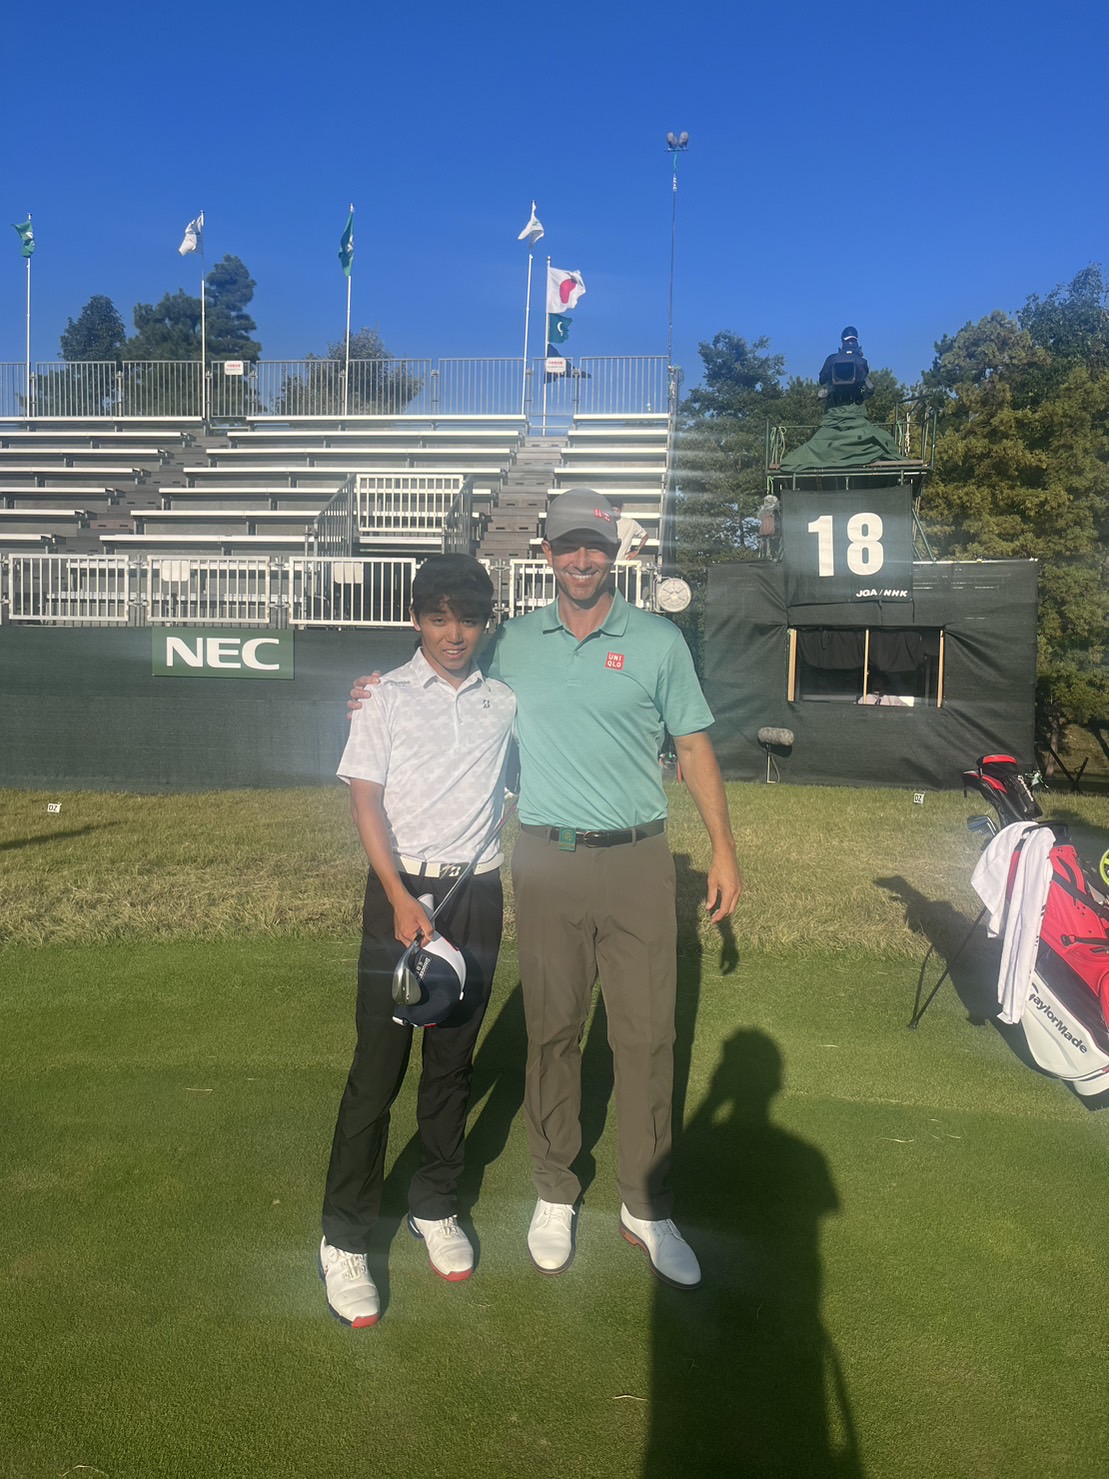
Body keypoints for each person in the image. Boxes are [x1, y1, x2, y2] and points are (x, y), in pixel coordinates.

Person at [351, 491, 742, 1291]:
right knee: (552, 1030)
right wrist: (372, 687)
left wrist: (724, 850)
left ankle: (646, 1203)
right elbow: (441, 665)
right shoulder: (512, 644)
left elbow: (694, 747)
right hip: (545, 857)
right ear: (547, 553)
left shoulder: (659, 641)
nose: (581, 559)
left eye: (593, 545)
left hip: (638, 857)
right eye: (568, 545)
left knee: (646, 1037)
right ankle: (554, 1189)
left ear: (614, 551)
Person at [320, 554, 515, 1328]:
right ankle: (344, 1236)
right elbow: (365, 804)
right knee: (377, 1069)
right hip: (400, 893)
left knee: (452, 1063)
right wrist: (400, 897)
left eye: (467, 619)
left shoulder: (505, 700)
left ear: (486, 623)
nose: (453, 633)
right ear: (415, 620)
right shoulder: (383, 696)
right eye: (438, 618)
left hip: (478, 892)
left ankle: (434, 1203)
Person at [818, 325, 873, 407]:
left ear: (842, 342)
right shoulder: (861, 362)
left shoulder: (831, 360)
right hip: (856, 409)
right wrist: (862, 398)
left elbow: (822, 380)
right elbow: (870, 388)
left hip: (833, 409)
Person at [609, 496, 648, 562]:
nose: (615, 512)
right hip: (606, 564)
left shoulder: (631, 523)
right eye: (613, 510)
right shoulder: (604, 523)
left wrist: (636, 550)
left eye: (617, 510)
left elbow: (645, 536)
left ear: (621, 509)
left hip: (623, 564)